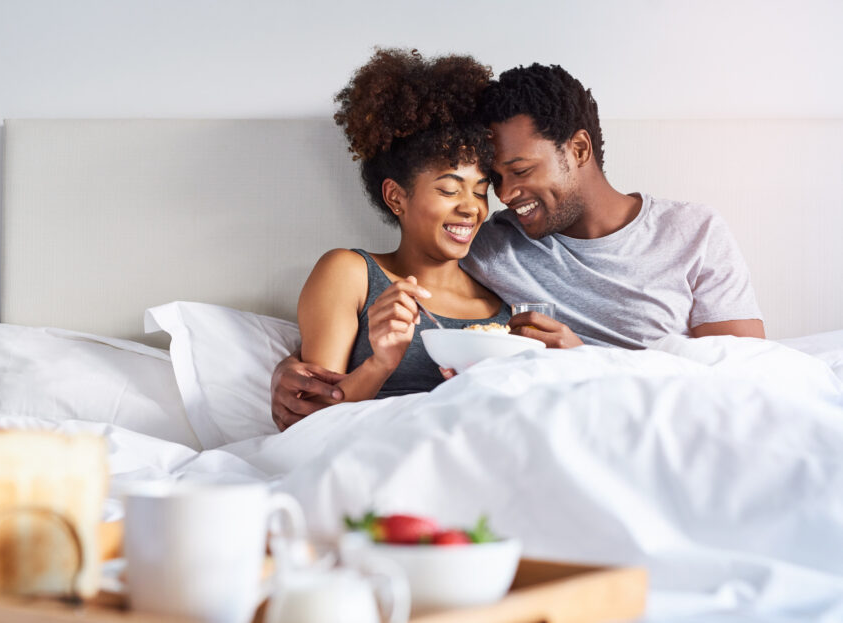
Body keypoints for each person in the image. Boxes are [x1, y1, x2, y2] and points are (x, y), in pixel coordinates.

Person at [272, 62, 765, 429]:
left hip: (661, 430)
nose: (501, 199)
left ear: (578, 149)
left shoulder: (695, 232)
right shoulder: (490, 246)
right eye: (497, 180)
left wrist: (584, 359)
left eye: (519, 173)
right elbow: (313, 402)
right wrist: (292, 374)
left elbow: (750, 381)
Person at [286, 48, 510, 419]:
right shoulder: (351, 274)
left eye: (481, 190)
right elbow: (306, 418)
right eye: (449, 189)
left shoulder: (502, 304)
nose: (472, 207)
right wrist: (381, 363)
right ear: (396, 196)